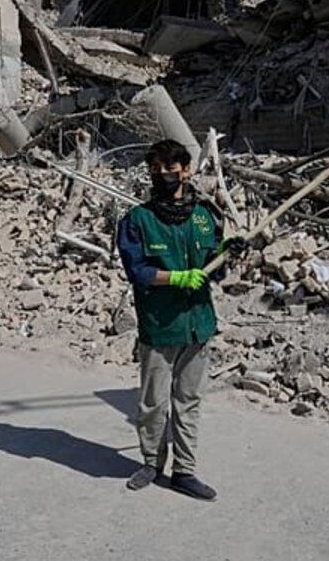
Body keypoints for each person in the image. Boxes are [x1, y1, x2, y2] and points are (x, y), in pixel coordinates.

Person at [115, 139, 246, 501]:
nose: (162, 175)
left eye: (170, 169)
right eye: (155, 169)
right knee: (153, 402)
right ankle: (151, 463)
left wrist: (227, 252)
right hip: (160, 325)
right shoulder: (137, 220)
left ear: (186, 171)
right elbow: (137, 271)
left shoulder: (204, 216)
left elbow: (213, 269)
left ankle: (184, 471)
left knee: (188, 401)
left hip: (197, 324)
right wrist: (176, 277)